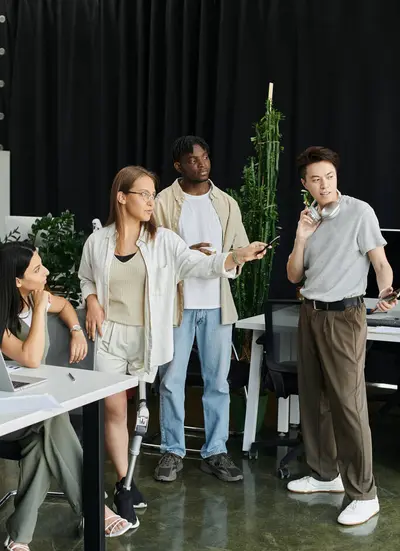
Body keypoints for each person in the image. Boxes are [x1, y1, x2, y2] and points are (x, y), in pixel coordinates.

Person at [78, 165, 266, 523]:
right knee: (116, 412)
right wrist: (91, 301)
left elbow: (199, 264)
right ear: (122, 197)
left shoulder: (163, 240)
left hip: (146, 336)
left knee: (144, 410)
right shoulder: (98, 240)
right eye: (144, 194)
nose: (151, 201)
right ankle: (124, 482)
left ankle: (135, 473)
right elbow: (86, 278)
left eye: (153, 194)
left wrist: (235, 256)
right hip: (109, 336)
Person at [286, 146, 397, 526]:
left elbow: (380, 262)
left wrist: (385, 291)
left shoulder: (359, 212)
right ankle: (324, 475)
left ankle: (365, 494)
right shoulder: (309, 218)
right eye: (316, 179)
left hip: (344, 317)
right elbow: (294, 276)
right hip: (310, 314)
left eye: (329, 177)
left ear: (337, 177)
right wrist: (301, 236)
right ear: (306, 184)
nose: (325, 185)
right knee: (314, 400)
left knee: (349, 406)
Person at [0, 242, 132, 551]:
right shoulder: (4, 315)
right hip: (7, 416)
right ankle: (93, 508)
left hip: (30, 408)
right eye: (36, 269)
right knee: (52, 417)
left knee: (43, 436)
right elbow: (30, 358)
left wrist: (75, 329)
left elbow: (66, 307)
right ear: (17, 281)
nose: (45, 272)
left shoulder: (37, 298)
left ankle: (20, 532)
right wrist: (40, 309)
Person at [152, 136, 249, 483]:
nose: (202, 164)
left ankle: (215, 451)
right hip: (177, 307)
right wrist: (184, 253)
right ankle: (172, 450)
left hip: (217, 306)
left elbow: (238, 253)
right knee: (171, 381)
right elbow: (152, 254)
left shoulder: (226, 203)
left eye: (205, 157)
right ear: (179, 166)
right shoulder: (162, 202)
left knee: (218, 383)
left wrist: (238, 257)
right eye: (193, 160)